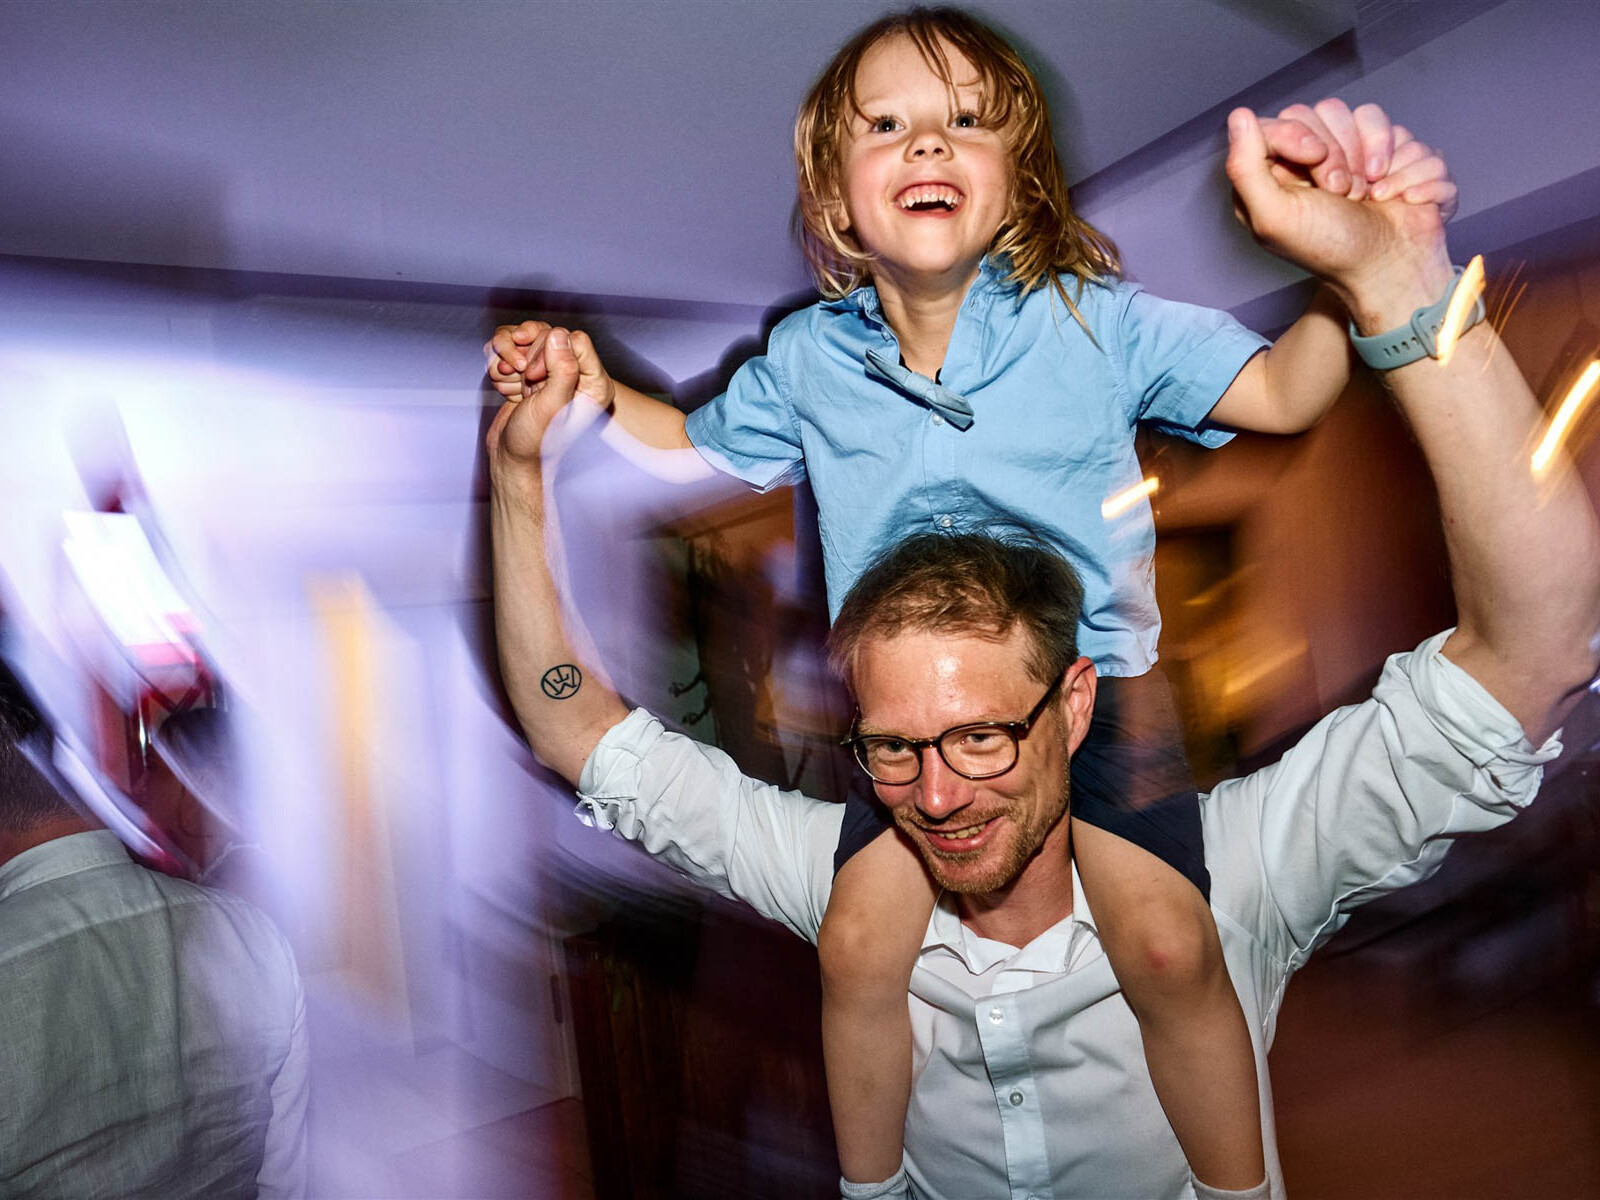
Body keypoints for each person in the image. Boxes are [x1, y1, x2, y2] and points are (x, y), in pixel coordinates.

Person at [485, 82, 1600, 1199]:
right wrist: (522, 470)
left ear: (1067, 702)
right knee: (860, 947)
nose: (936, 794)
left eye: (979, 736)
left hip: (1136, 777)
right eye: (892, 745)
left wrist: (1386, 285)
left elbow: (1532, 648)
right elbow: (572, 716)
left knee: (1169, 941)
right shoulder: (817, 363)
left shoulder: (1228, 874)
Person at [0, 660, 310, 1199]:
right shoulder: (242, 923)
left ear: (203, 783)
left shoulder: (241, 896)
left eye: (157, 767)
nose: (141, 784)